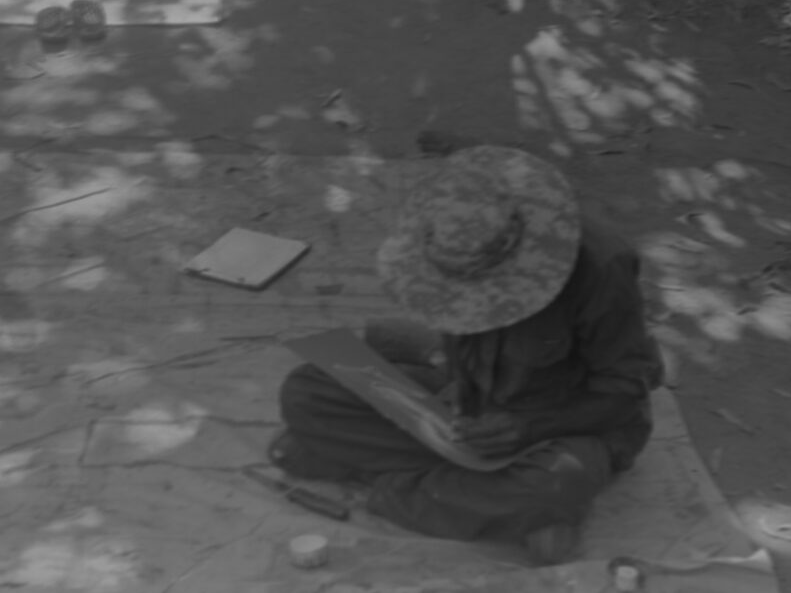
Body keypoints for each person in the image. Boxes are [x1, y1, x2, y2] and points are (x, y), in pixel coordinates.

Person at [272, 145, 664, 564]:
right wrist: (454, 387)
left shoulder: (602, 266)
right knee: (306, 392)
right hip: (471, 408)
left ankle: (387, 487)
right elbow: (450, 343)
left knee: (557, 483)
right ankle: (481, 502)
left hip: (562, 426)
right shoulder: (439, 241)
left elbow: (627, 389)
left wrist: (528, 427)